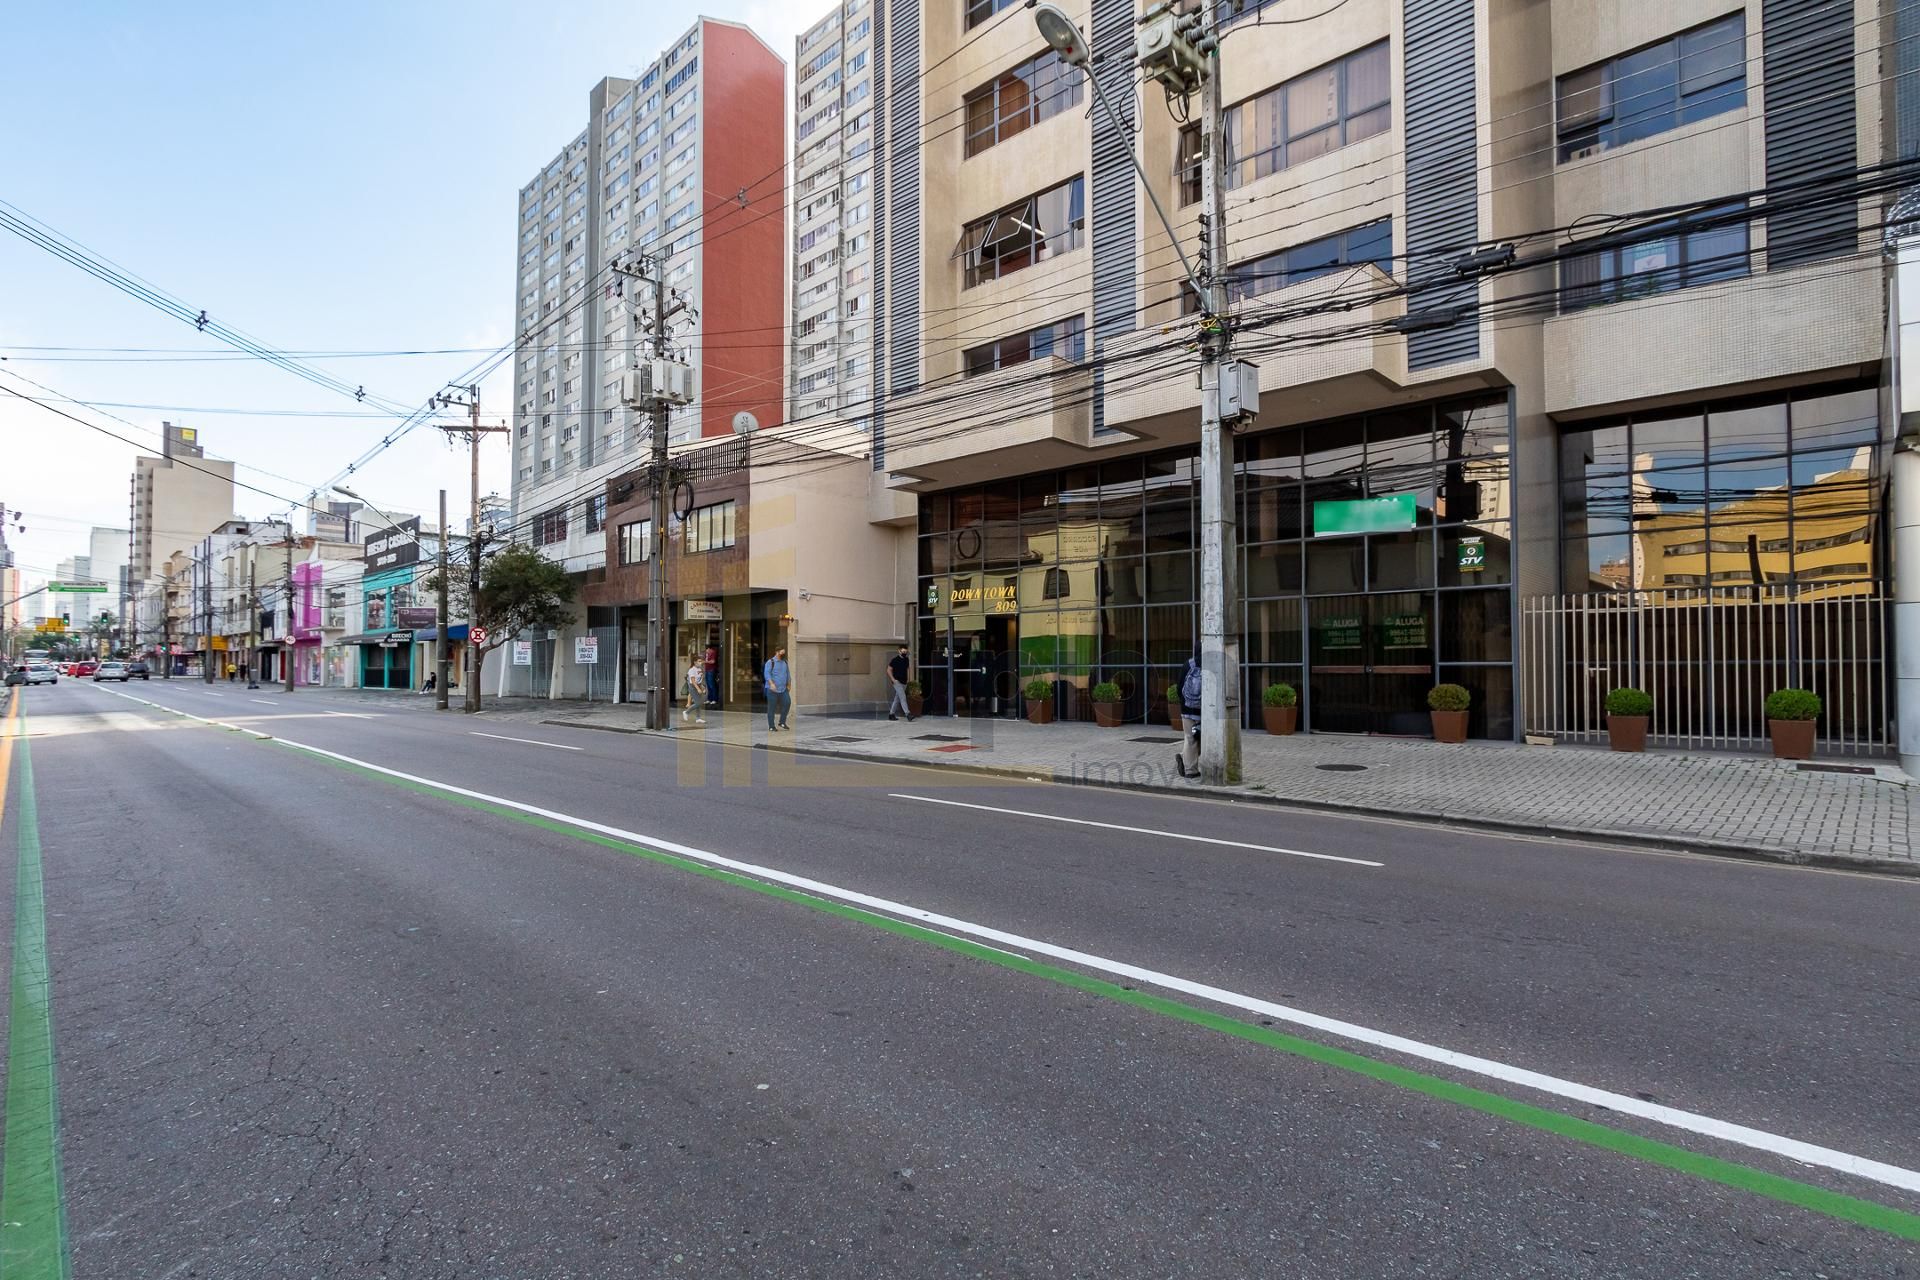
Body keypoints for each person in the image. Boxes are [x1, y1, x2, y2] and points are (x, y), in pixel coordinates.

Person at [1174, 656, 1204, 780]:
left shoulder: (1188, 664)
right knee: (1197, 739)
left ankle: (1184, 758)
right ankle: (1191, 771)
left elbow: (1179, 688)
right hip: (1205, 710)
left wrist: (1185, 702)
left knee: (1191, 738)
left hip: (1187, 709)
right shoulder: (1211, 664)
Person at [763, 646, 791, 731]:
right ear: (777, 652)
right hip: (772, 690)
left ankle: (782, 722)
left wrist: (789, 684)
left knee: (787, 703)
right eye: (782, 652)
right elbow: (767, 674)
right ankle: (771, 726)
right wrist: (771, 684)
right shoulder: (770, 662)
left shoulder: (785, 662)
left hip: (783, 689)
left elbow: (788, 674)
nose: (783, 654)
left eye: (784, 652)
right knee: (772, 707)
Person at [886, 644, 915, 722]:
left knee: (897, 698)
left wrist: (908, 679)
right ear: (899, 651)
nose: (904, 653)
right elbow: (888, 670)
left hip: (904, 682)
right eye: (903, 651)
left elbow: (908, 669)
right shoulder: (895, 660)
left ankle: (891, 714)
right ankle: (908, 714)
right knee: (903, 697)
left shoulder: (906, 659)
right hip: (897, 682)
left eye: (905, 651)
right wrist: (893, 679)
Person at [683, 654, 706, 724]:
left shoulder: (699, 669)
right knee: (698, 702)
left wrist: (702, 687)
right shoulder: (691, 670)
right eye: (699, 661)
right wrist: (698, 689)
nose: (701, 663)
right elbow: (693, 681)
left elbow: (700, 680)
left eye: (701, 661)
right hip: (693, 687)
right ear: (695, 662)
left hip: (698, 686)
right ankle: (686, 712)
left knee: (699, 702)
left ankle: (698, 718)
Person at [703, 641, 720, 708]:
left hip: (711, 670)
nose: (707, 651)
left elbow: (713, 661)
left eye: (707, 649)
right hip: (707, 669)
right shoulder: (707, 653)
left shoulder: (713, 652)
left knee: (712, 684)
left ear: (710, 649)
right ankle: (709, 699)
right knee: (708, 685)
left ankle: (714, 699)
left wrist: (705, 661)